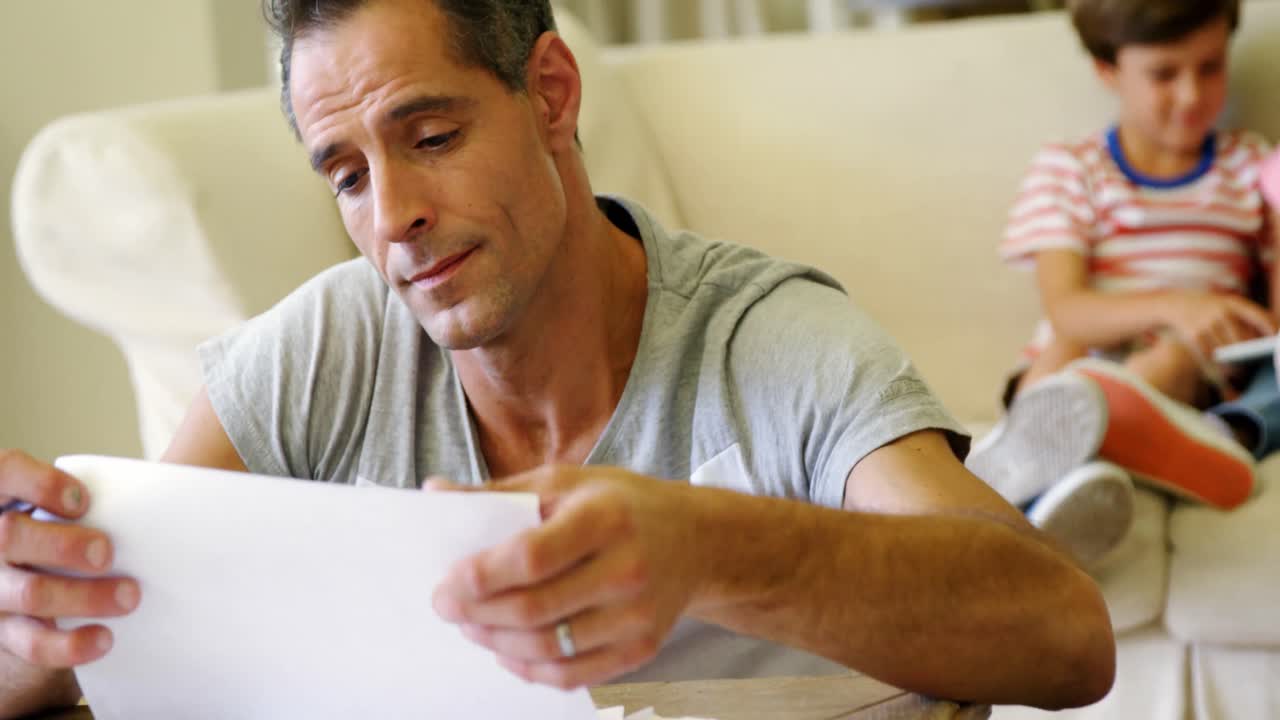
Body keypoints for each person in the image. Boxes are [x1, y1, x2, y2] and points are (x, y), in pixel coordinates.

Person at [0, 0, 1117, 715]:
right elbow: (90, 630)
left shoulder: (763, 337)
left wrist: (704, 548)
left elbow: (1063, 634)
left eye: (430, 137)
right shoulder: (326, 347)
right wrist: (27, 618)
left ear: (549, 93)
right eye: (345, 174)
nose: (392, 217)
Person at [966, 0, 1278, 567]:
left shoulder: (1249, 166)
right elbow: (1067, 309)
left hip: (1189, 372)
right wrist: (1178, 304)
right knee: (1066, 352)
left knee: (1178, 357)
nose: (1191, 95)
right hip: (1075, 359)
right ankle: (1044, 474)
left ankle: (1056, 482)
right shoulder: (1071, 168)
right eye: (1164, 74)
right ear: (1108, 71)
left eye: (1210, 67)